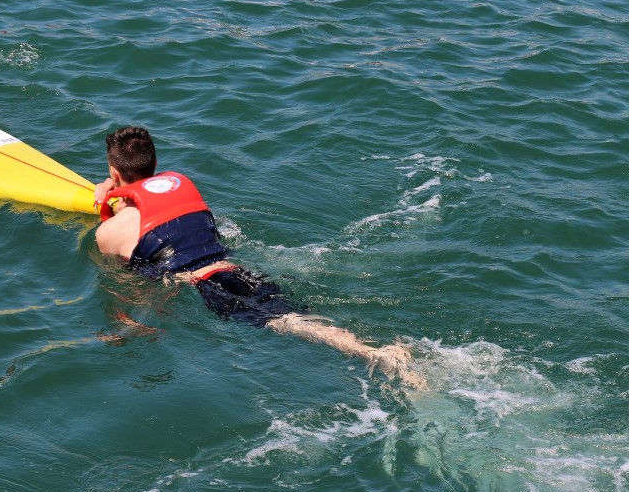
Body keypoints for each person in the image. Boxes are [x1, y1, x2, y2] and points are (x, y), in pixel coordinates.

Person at [93, 126, 424, 388]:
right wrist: (115, 185)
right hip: (238, 270)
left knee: (286, 324)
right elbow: (151, 206)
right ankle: (371, 348)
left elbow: (128, 280)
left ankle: (375, 355)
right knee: (294, 315)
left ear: (114, 171)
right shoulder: (181, 189)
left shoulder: (110, 232)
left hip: (208, 286)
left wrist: (125, 326)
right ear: (154, 164)